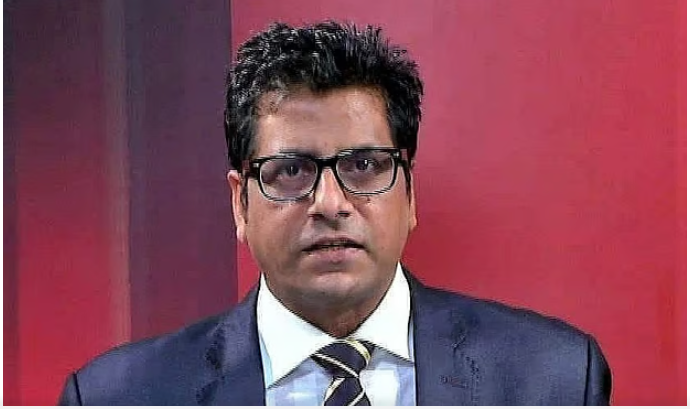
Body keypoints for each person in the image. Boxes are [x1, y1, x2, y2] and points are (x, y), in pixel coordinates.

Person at [59, 21, 612, 405]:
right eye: (291, 171)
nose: (329, 203)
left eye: (364, 165)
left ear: (410, 194)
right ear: (239, 203)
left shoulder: (555, 378)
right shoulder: (119, 396)